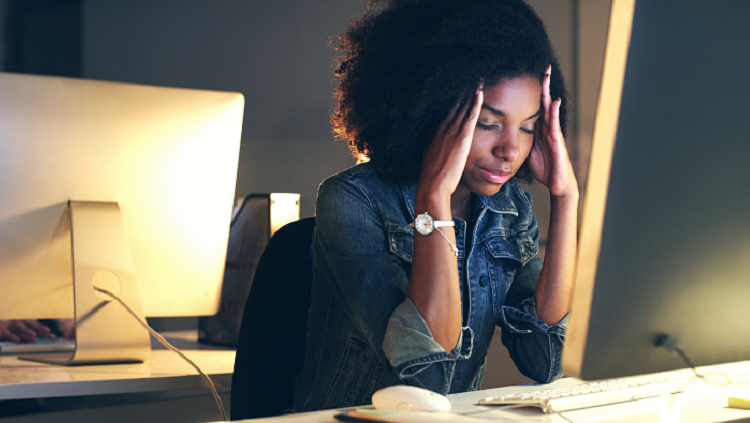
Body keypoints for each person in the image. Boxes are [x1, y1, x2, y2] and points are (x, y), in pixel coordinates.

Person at [294, 0, 578, 412]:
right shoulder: (352, 201)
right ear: (431, 110)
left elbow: (547, 357)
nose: (510, 149)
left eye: (528, 127)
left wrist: (565, 198)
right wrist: (434, 201)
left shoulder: (510, 209)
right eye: (488, 123)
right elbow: (427, 374)